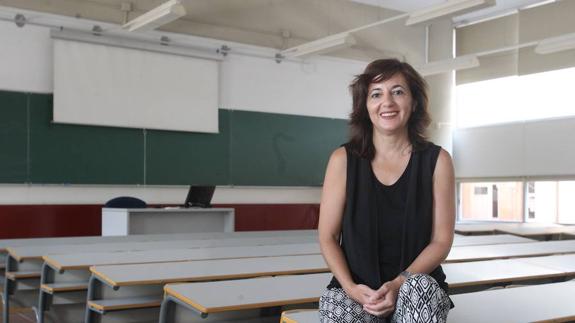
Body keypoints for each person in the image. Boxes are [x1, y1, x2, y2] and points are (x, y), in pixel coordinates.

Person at [318, 58, 455, 323]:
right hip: (358, 291)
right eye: (376, 94)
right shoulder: (342, 160)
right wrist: (350, 288)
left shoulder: (437, 161)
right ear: (365, 105)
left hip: (413, 288)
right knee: (334, 304)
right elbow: (328, 236)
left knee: (421, 287)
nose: (387, 102)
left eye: (398, 91)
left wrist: (398, 284)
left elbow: (441, 241)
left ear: (414, 102)